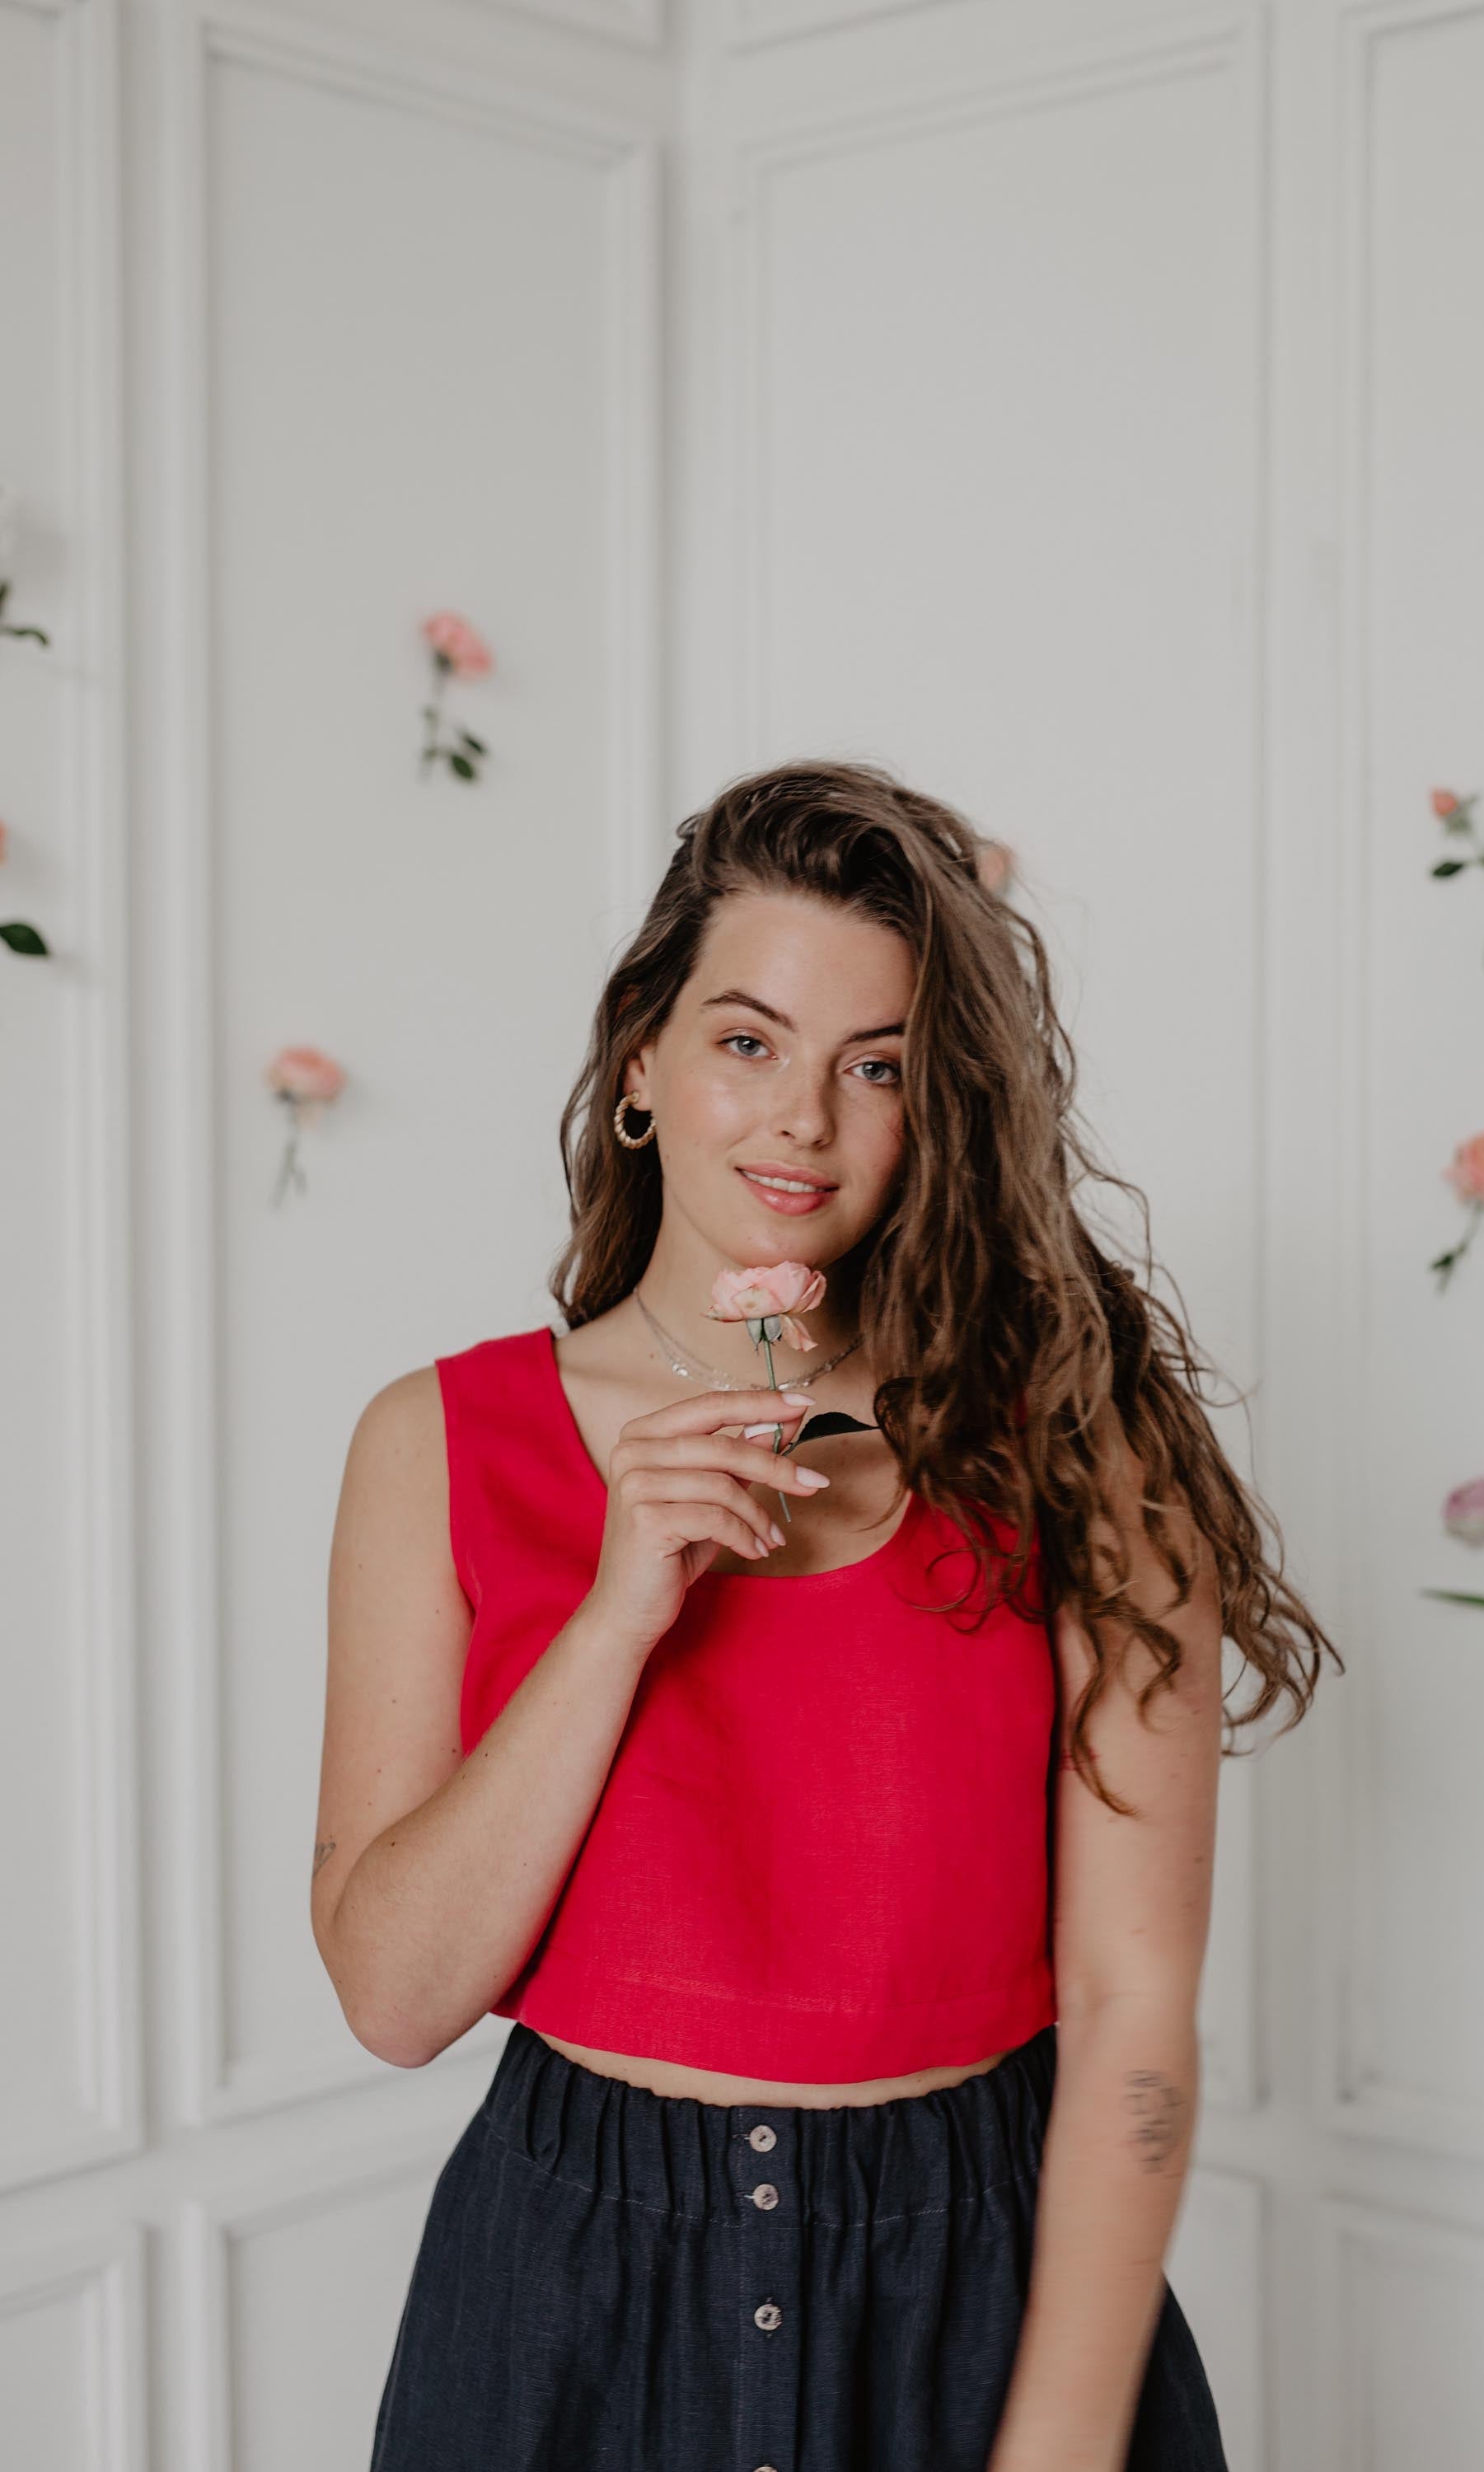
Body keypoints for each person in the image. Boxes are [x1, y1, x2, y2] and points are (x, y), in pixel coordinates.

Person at [313, 758, 1339, 2471]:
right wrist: (616, 1616)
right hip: (567, 2303)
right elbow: (393, 1997)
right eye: (746, 1041)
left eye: (875, 1069)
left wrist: (1063, 2447)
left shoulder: (1082, 1442)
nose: (802, 1117)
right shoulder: (435, 1445)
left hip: (986, 2293)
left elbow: (1133, 2005)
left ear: (932, 1114)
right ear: (640, 1058)